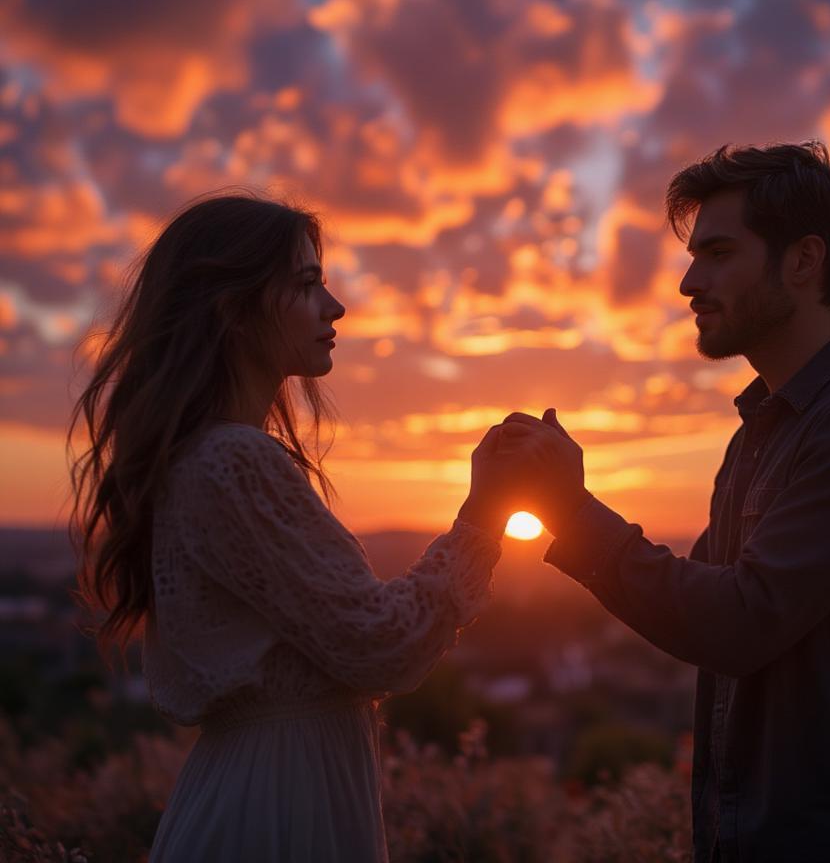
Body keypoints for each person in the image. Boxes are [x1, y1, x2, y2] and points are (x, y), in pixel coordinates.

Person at [498, 142, 830, 862]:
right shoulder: (756, 437)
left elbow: (738, 624)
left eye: (717, 253)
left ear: (804, 261)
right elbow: (702, 612)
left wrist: (570, 513)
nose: (689, 282)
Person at [66, 191, 513, 862]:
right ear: (235, 310)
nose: (334, 307)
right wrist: (484, 514)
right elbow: (381, 645)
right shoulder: (230, 460)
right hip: (275, 809)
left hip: (272, 790)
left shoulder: (210, 456)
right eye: (307, 285)